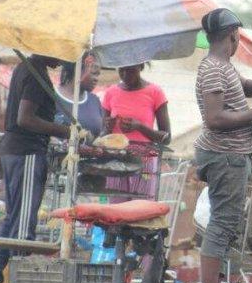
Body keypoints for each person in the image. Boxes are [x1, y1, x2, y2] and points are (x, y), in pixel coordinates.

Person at [193, 8, 252, 283]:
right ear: (233, 36)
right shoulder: (214, 69)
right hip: (223, 154)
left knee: (225, 218)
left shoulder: (222, 66)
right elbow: (215, 118)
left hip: (228, 154)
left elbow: (243, 87)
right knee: (223, 219)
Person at [0, 54, 83, 283]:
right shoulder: (34, 75)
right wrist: (64, 131)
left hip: (16, 149)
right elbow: (25, 118)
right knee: (24, 224)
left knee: (13, 219)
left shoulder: (26, 68)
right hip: (26, 151)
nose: (62, 56)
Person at [101, 63, 171, 200]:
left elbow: (166, 137)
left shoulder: (155, 92)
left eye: (131, 71)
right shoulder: (110, 93)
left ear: (141, 66)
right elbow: (103, 136)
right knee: (117, 213)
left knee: (140, 212)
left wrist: (140, 127)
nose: (126, 75)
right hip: (116, 160)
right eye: (122, 70)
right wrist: (108, 127)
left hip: (144, 162)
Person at [54, 52, 103, 139]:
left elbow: (99, 137)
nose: (96, 79)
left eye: (98, 75)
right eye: (93, 73)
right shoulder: (52, 97)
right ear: (78, 70)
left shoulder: (94, 101)